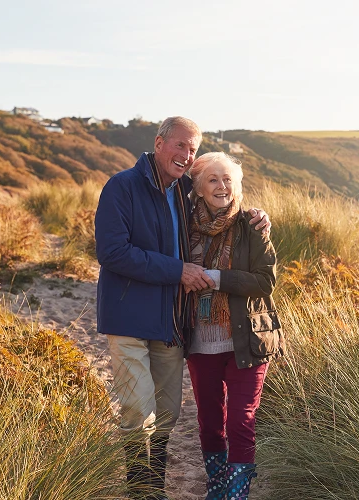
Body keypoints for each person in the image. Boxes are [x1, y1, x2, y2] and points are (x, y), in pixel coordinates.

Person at [94, 117, 270, 500]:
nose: (186, 155)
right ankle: (143, 491)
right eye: (180, 146)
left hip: (173, 323)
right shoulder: (121, 187)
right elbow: (111, 252)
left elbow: (223, 206)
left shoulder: (182, 196)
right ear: (159, 143)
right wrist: (179, 271)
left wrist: (258, 217)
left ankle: (155, 488)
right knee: (137, 413)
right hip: (128, 317)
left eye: (193, 149)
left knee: (167, 414)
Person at [185, 152, 284, 500]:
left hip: (248, 339)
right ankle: (216, 488)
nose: (222, 186)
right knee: (211, 423)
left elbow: (265, 281)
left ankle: (236, 495)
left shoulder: (252, 225)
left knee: (240, 421)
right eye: (212, 179)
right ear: (197, 187)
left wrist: (216, 278)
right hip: (199, 340)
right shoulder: (182, 225)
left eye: (228, 179)